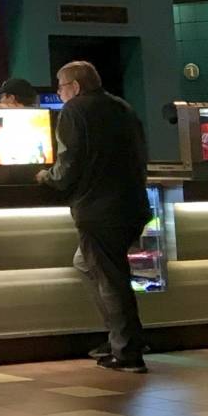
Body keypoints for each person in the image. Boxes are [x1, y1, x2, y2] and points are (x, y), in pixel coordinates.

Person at [40, 61, 151, 372]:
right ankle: (121, 337)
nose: (59, 93)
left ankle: (128, 351)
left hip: (98, 210)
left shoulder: (74, 110)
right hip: (132, 206)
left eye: (61, 87)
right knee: (90, 266)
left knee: (111, 280)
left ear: (75, 87)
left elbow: (68, 163)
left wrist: (48, 178)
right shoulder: (122, 107)